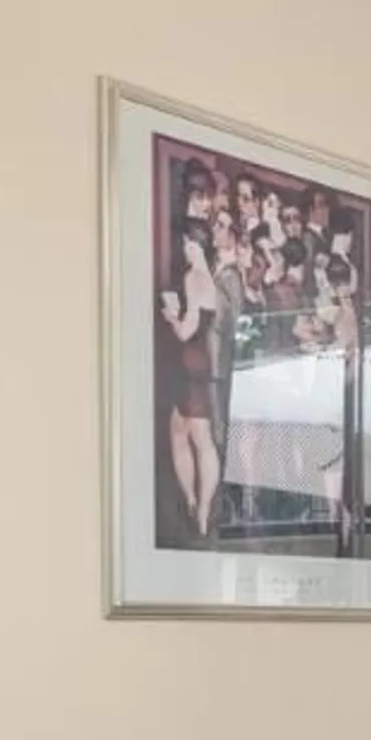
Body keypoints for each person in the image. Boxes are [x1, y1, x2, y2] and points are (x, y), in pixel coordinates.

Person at [158, 194, 228, 543]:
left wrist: (170, 316)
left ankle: (192, 502)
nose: (183, 246)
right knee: (198, 437)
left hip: (189, 361)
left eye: (184, 241)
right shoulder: (211, 280)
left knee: (184, 435)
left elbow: (186, 331)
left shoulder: (192, 278)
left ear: (191, 244)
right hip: (201, 363)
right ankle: (201, 509)